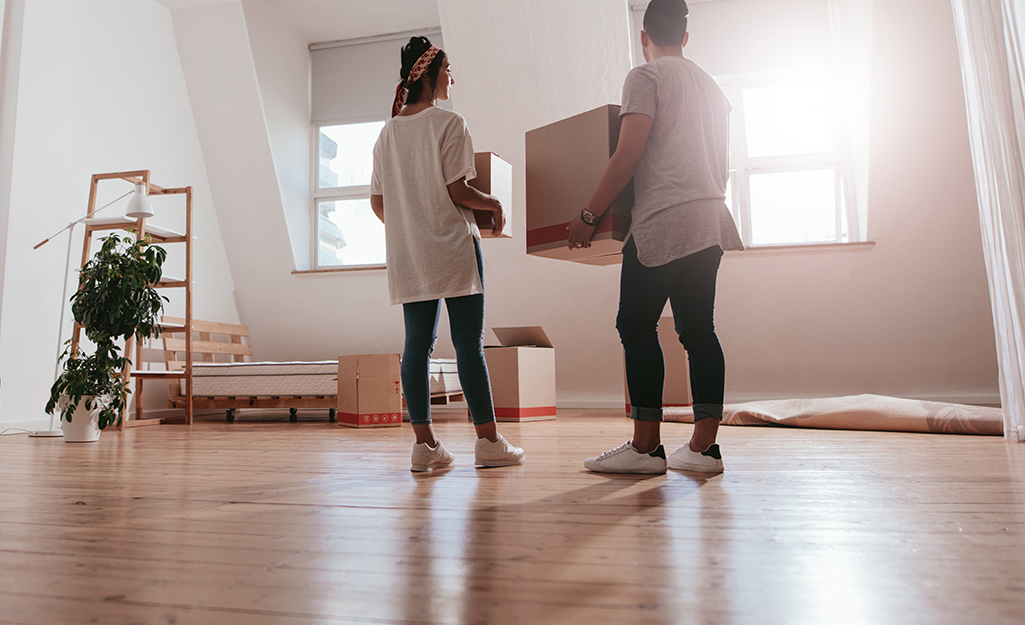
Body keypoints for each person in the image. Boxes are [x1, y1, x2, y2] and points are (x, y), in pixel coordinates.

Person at [571, 0, 743, 474]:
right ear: (685, 38)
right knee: (699, 331)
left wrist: (590, 213)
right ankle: (704, 449)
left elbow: (628, 155)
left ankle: (646, 448)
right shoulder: (713, 88)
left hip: (664, 221)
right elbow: (722, 165)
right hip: (710, 221)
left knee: (636, 326)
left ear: (644, 35)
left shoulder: (645, 78)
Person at [370, 36, 525, 472]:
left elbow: (379, 204)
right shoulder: (448, 123)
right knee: (468, 346)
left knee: (416, 347)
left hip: (411, 257)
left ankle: (425, 447)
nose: (452, 76)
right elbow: (458, 190)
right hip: (455, 250)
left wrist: (412, 228)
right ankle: (489, 443)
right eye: (448, 68)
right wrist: (493, 203)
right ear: (431, 73)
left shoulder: (386, 134)